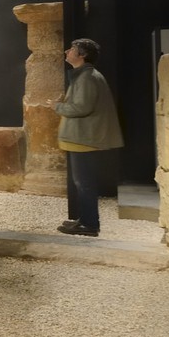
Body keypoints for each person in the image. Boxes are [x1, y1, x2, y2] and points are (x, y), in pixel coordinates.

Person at [54, 38, 123, 237]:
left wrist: (57, 107)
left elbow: (81, 108)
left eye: (72, 49)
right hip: (82, 138)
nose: (67, 51)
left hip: (83, 139)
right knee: (82, 182)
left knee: (84, 183)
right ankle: (84, 220)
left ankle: (90, 224)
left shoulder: (87, 78)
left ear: (82, 55)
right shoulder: (86, 75)